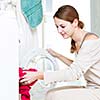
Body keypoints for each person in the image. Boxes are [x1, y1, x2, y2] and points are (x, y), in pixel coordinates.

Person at [20, 5, 100, 100]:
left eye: (62, 26)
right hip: (92, 88)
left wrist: (39, 75)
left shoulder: (91, 42)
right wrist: (57, 55)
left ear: (75, 22)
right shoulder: (79, 41)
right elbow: (78, 66)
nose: (59, 30)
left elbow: (73, 74)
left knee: (54, 96)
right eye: (57, 26)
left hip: (97, 90)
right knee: (50, 94)